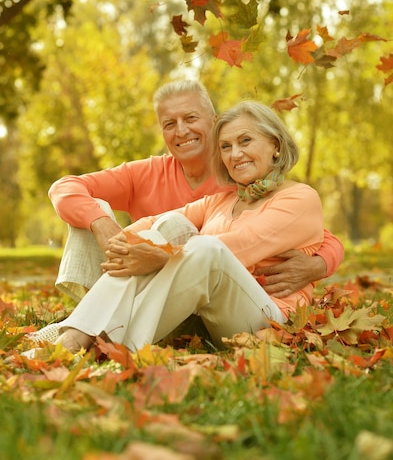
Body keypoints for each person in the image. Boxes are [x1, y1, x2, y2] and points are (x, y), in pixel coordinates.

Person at [51, 100, 326, 353]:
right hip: (208, 318)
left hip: (267, 320)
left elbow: (237, 248)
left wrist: (159, 257)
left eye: (245, 141)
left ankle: (103, 339)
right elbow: (153, 224)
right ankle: (78, 335)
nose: (235, 153)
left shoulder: (300, 198)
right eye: (226, 146)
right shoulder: (221, 200)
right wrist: (122, 244)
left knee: (207, 248)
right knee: (162, 228)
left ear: (275, 144)